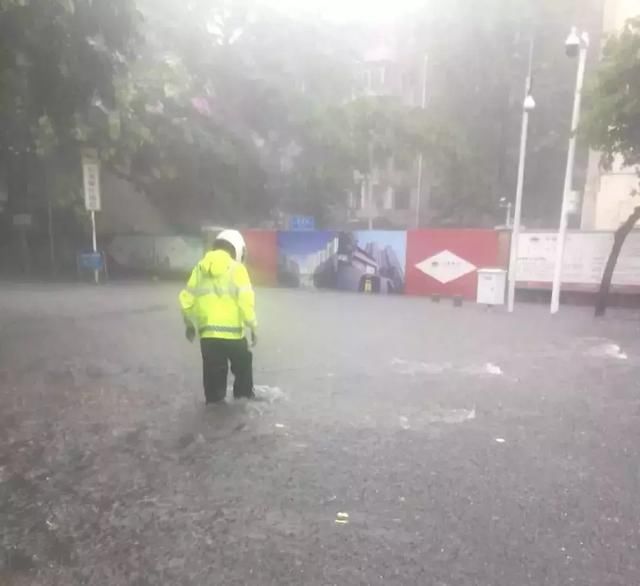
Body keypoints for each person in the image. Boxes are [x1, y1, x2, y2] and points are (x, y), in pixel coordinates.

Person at [179, 230, 258, 404]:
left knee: (213, 389)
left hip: (208, 338)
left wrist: (190, 325)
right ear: (237, 248)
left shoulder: (200, 268)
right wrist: (253, 326)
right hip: (234, 336)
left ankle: (213, 416)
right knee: (243, 368)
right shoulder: (238, 269)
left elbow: (186, 299)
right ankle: (242, 404)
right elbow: (246, 301)